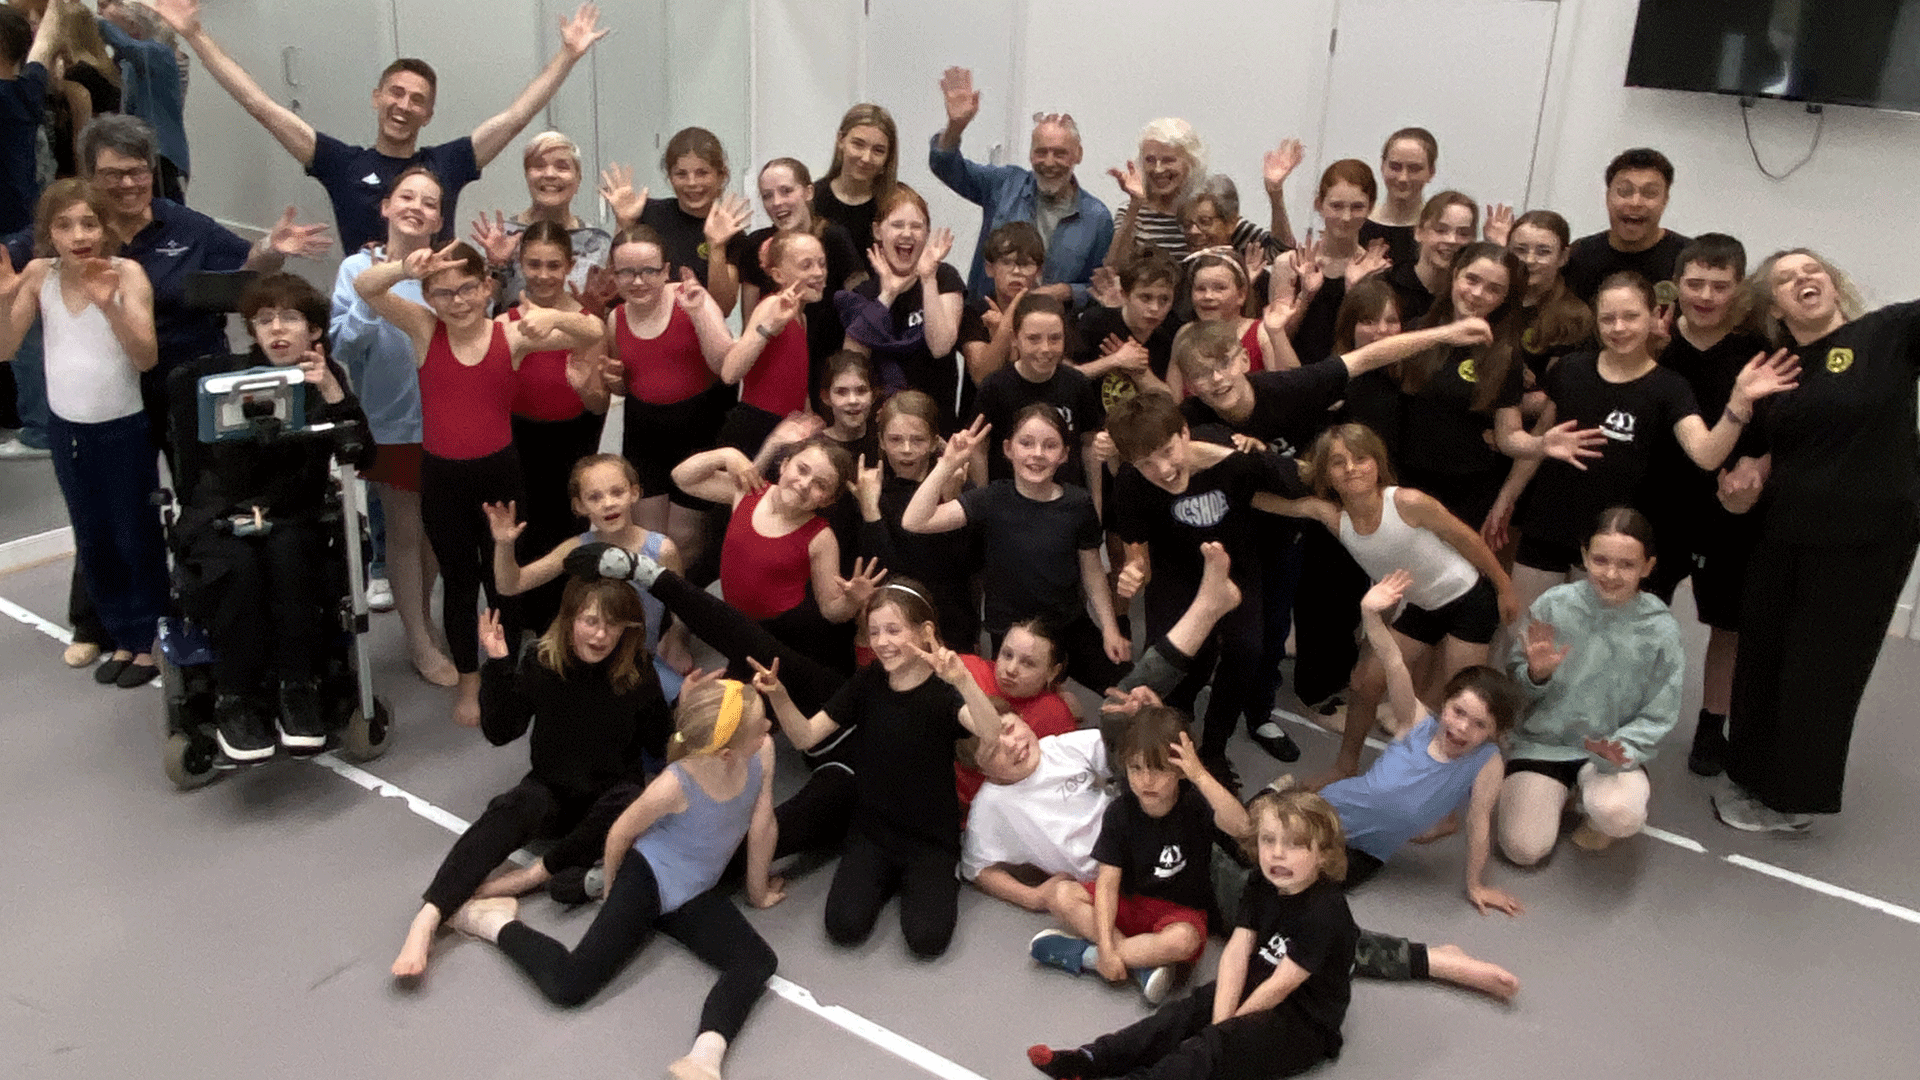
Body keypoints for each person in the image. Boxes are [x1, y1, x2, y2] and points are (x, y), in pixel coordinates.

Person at [443, 671, 782, 1080]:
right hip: (648, 878)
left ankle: (704, 1055)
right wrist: (614, 883)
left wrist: (758, 892)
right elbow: (621, 832)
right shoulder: (675, 784)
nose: (768, 727)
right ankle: (493, 922)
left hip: (695, 890)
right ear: (726, 753)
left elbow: (761, 824)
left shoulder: (762, 752)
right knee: (570, 984)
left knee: (758, 961)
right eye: (760, 723)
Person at [354, 238, 605, 727]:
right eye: (444, 292)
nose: (459, 300)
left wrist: (554, 319)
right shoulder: (426, 329)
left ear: (487, 285)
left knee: (502, 581)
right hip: (444, 477)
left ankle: (504, 673)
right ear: (428, 297)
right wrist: (405, 266)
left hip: (500, 475)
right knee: (460, 582)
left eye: (468, 288)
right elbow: (367, 287)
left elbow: (592, 330)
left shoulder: (509, 335)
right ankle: (469, 680)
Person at [1711, 249, 1920, 832]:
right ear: (1772, 304)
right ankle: (1748, 771)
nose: (1803, 279)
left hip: (1866, 542)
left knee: (1822, 668)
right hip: (1783, 534)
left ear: (1833, 281)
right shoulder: (1773, 368)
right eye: (1785, 278)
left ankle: (1788, 801)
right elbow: (1771, 449)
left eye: (1812, 270)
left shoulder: (1887, 334)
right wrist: (1745, 477)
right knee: (1766, 654)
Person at [151, 0, 608, 249]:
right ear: (377, 97)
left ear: (428, 114)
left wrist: (567, 56)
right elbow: (260, 104)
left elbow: (516, 117)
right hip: (368, 316)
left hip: (435, 308)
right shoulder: (340, 163)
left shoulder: (445, 163)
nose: (404, 105)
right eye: (396, 92)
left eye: (417, 100)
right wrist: (195, 35)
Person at [389, 577, 671, 979]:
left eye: (614, 625)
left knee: (631, 799)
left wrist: (686, 717)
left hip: (608, 800)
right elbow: (501, 730)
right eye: (591, 621)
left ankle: (531, 876)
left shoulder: (638, 673)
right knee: (513, 807)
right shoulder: (542, 661)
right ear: (570, 618)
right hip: (552, 791)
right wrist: (499, 665)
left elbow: (660, 745)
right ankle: (430, 916)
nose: (601, 635)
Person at [1488, 272, 1797, 614]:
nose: (1619, 328)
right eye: (1608, 318)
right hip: (1547, 527)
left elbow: (1707, 454)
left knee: (1587, 653)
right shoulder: (1571, 369)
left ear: (1654, 317)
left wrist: (1738, 403)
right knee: (1523, 635)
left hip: (1609, 546)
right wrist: (1507, 496)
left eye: (1630, 316)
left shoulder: (1669, 388)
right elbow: (1539, 442)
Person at [169, 272, 371, 760]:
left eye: (290, 318)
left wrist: (331, 391)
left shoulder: (326, 379)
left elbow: (362, 455)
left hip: (295, 515)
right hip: (223, 512)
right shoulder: (222, 383)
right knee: (237, 566)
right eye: (264, 319)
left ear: (315, 330)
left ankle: (297, 687)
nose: (277, 328)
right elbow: (210, 475)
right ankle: (234, 697)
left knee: (289, 554)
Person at [1025, 788, 1358, 1080]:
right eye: (1268, 840)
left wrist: (1225, 1031)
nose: (1277, 854)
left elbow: (1281, 985)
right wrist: (1220, 1018)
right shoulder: (1262, 882)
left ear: (1323, 855)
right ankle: (1093, 1058)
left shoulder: (1324, 911)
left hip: (1302, 1021)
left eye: (1294, 845)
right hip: (1258, 982)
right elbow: (1237, 951)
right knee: (1180, 1016)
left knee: (1208, 1050)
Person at [753, 583, 1009, 959]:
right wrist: (779, 696)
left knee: (927, 940)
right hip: (872, 832)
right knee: (843, 927)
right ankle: (881, 878)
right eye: (874, 632)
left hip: (930, 841)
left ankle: (926, 879)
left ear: (924, 632)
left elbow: (992, 732)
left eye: (893, 630)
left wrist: (963, 680)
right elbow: (807, 736)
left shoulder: (943, 691)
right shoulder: (868, 681)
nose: (882, 642)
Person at [1255, 423, 1519, 786]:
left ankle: (1447, 787)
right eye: (1338, 462)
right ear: (1325, 475)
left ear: (1377, 463)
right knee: (1364, 683)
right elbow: (1269, 500)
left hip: (1467, 601)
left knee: (1461, 703)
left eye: (1360, 458)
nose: (1351, 468)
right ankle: (1346, 765)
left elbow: (1468, 540)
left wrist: (1504, 587)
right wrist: (1232, 467)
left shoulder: (1407, 502)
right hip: (1421, 607)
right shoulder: (1333, 517)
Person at [80, 114, 329, 462]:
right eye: (113, 174)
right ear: (90, 177)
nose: (128, 183)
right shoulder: (77, 228)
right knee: (125, 498)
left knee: (204, 487)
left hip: (187, 380)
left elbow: (247, 270)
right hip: (109, 390)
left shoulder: (186, 226)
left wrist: (271, 249)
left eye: (138, 171)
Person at [0, 179, 164, 687]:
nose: (78, 235)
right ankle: (117, 633)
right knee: (92, 536)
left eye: (89, 222)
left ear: (106, 226)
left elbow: (145, 356)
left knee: (134, 533)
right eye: (65, 225)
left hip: (123, 429)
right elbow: (6, 348)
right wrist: (4, 298)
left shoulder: (128, 273)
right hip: (68, 430)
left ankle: (146, 640)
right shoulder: (38, 275)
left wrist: (109, 304)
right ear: (48, 233)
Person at [1107, 391, 1312, 784]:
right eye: (1146, 463)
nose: (1164, 470)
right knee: (1173, 663)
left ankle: (1215, 750)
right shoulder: (1132, 485)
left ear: (1185, 433)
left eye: (1168, 451)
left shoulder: (1227, 448)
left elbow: (1297, 480)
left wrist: (1242, 456)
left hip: (1238, 567)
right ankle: (1174, 740)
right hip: (1176, 573)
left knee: (1246, 651)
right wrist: (1134, 572)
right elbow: (1138, 553)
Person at [1320, 571, 1522, 912]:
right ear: (1445, 703)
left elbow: (1479, 823)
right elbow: (1394, 662)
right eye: (1458, 712)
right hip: (1327, 817)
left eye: (1478, 724)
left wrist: (1476, 884)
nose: (1461, 728)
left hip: (1370, 850)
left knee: (1317, 889)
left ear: (1494, 733)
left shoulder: (1487, 762)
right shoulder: (1414, 720)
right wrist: (1370, 614)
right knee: (1270, 857)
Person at [1025, 707, 1249, 1005]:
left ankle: (1085, 955)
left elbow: (1242, 826)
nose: (1146, 780)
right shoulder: (1120, 812)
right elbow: (1107, 882)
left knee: (1184, 941)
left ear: (1180, 770)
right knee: (1060, 894)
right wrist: (1107, 944)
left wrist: (1199, 775)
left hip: (1177, 913)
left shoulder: (1195, 804)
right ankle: (1139, 965)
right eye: (1136, 768)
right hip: (1128, 904)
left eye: (1158, 770)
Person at [331, 166, 457, 687]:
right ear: (386, 206)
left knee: (432, 534)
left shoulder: (446, 269)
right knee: (404, 532)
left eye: (429, 202)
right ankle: (418, 640)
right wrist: (386, 282)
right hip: (393, 425)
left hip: (447, 423)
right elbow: (344, 346)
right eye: (407, 197)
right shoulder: (357, 268)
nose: (416, 207)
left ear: (439, 219)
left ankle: (423, 621)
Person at [1500, 508, 1682, 862]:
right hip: (1544, 746)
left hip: (1608, 752)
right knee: (1523, 850)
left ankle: (1597, 803)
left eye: (1627, 565)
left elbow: (1659, 714)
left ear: (1647, 566)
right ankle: (1561, 790)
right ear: (1584, 557)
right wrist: (1536, 676)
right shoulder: (1553, 606)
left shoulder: (1661, 629)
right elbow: (1515, 690)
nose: (1611, 574)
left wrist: (1618, 750)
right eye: (1600, 560)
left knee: (1619, 813)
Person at [903, 407, 1128, 690]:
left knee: (1128, 692)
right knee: (1019, 717)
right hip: (1011, 636)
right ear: (1008, 449)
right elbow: (915, 521)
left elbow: (1092, 571)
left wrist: (1109, 628)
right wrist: (947, 465)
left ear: (1064, 454)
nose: (1037, 454)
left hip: (1068, 626)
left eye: (1049, 446)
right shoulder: (991, 499)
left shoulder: (1078, 503)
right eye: (1026, 443)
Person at [1395, 240, 1605, 532]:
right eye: (1472, 279)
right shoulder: (1412, 334)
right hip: (1402, 484)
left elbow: (1508, 436)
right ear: (1455, 274)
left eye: (1494, 289)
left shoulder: (1503, 355)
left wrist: (1540, 445)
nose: (1478, 294)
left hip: (1465, 492)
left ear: (1504, 299)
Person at [1658, 234, 1771, 777]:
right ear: (1676, 284)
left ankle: (1710, 725)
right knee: (1636, 613)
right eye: (1695, 283)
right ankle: (1622, 710)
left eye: (1718, 286)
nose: (1704, 295)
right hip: (1655, 504)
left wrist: (1757, 470)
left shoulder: (1758, 353)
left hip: (1727, 509)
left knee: (1727, 624)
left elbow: (1780, 433)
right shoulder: (1654, 342)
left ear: (1738, 290)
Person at [671, 433, 880, 673]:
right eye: (802, 470)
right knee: (732, 699)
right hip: (737, 625)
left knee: (749, 702)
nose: (804, 484)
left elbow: (831, 611)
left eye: (820, 485)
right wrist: (726, 454)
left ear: (828, 501)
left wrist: (852, 600)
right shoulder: (749, 491)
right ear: (783, 465)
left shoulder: (821, 538)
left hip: (782, 637)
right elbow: (683, 478)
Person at [489, 453, 688, 698]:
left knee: (686, 707)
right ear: (579, 506)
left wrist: (676, 640)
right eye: (595, 497)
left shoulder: (662, 550)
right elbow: (511, 585)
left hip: (639, 663)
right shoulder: (577, 549)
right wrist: (503, 545)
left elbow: (684, 605)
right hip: (584, 662)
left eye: (617, 492)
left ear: (634, 493)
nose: (608, 503)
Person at [495, 220, 610, 636]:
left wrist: (584, 390)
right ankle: (517, 622)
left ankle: (562, 624)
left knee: (566, 530)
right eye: (534, 264)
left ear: (570, 266)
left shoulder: (586, 322)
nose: (543, 274)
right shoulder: (505, 319)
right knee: (521, 529)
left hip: (572, 436)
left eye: (553, 265)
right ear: (521, 264)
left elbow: (600, 403)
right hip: (518, 438)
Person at [599, 225, 732, 571]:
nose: (638, 281)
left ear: (666, 271)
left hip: (698, 427)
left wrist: (700, 311)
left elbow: (726, 366)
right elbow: (626, 385)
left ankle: (679, 619)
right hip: (645, 430)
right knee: (648, 537)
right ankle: (653, 614)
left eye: (649, 271)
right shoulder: (615, 318)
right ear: (614, 275)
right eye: (626, 272)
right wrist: (613, 381)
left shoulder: (690, 298)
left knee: (685, 538)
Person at [931, 66, 1112, 305]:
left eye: (1060, 153)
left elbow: (1101, 287)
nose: (1049, 162)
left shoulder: (1097, 218)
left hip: (1050, 330)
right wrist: (956, 126)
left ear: (1078, 155)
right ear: (1030, 154)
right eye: (1041, 152)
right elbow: (945, 166)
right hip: (985, 317)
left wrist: (1067, 292)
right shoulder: (1003, 184)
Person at [851, 389, 978, 647]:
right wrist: (870, 512)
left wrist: (951, 498)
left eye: (917, 440)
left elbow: (966, 566)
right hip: (894, 626)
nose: (906, 450)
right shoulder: (872, 492)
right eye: (895, 440)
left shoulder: (959, 486)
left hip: (951, 621)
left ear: (933, 442)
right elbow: (887, 573)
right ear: (882, 442)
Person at [834, 183, 964, 429]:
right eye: (897, 225)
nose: (907, 234)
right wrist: (888, 295)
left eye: (916, 226)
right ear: (877, 231)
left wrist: (927, 279)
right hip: (882, 424)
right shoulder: (865, 292)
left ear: (926, 234)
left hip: (936, 423)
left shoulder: (943, 277)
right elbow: (852, 363)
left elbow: (941, 346)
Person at [730, 157, 860, 380]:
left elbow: (859, 311)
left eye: (786, 191)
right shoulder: (755, 245)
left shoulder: (835, 238)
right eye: (767, 196)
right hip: (776, 372)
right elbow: (749, 325)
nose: (777, 202)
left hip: (830, 369)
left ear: (808, 192)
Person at [601, 127, 753, 316]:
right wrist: (625, 223)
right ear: (670, 178)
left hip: (696, 336)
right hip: (639, 328)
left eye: (702, 173)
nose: (692, 182)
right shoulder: (647, 213)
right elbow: (611, 287)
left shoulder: (733, 235)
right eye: (681, 174)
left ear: (721, 176)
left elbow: (722, 308)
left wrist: (716, 246)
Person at [965, 293, 1104, 494]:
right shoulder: (995, 387)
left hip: (1066, 501)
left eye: (1055, 338)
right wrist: (983, 503)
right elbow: (979, 450)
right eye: (1033, 339)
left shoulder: (1077, 384)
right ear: (1015, 339)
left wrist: (1095, 506)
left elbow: (1089, 447)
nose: (1045, 348)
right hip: (1008, 499)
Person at [467, 131, 613, 307]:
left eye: (562, 167)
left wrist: (625, 223)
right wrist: (496, 265)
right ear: (527, 176)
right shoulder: (499, 236)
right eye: (539, 166)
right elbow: (474, 311)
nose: (550, 174)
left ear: (578, 178)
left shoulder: (597, 243)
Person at [0, 4, 56, 461]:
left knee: (23, 336)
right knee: (26, 330)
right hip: (23, 223)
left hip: (7, 233)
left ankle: (39, 427)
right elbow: (43, 48)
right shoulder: (26, 92)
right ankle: (33, 420)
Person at [719, 229, 827, 455]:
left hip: (786, 430)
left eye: (822, 264)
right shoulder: (771, 306)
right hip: (755, 427)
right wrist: (768, 328)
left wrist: (808, 420)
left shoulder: (801, 316)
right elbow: (730, 373)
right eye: (806, 266)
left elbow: (797, 382)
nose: (818, 273)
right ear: (778, 275)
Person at [1562, 147, 1689, 304]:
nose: (1635, 203)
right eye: (1624, 192)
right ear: (1608, 197)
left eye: (1649, 193)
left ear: (1665, 200)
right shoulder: (1579, 255)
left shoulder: (1688, 258)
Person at [95, 0, 188, 200]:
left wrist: (91, 21)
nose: (100, 12)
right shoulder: (128, 61)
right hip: (139, 150)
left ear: (134, 25)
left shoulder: (158, 53)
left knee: (166, 217)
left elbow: (125, 44)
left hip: (162, 156)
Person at [1504, 210, 1593, 402]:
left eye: (1543, 252)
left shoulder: (1573, 317)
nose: (1529, 260)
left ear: (1563, 257)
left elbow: (1556, 395)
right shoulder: (1490, 301)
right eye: (1520, 250)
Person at [1073, 246, 1178, 405]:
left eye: (1164, 300)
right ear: (1125, 295)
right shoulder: (1096, 321)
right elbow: (1065, 378)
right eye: (1145, 298)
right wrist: (1115, 360)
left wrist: (1139, 372)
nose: (1155, 308)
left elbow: (1172, 402)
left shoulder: (1171, 333)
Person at [957, 219, 1045, 388]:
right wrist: (1003, 333)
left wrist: (1003, 329)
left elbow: (1050, 372)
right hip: (983, 412)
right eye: (1006, 262)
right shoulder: (975, 311)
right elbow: (982, 376)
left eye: (1025, 264)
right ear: (990, 268)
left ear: (1038, 271)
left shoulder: (1048, 313)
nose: (1016, 272)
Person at [1105, 117, 1204, 263]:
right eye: (1150, 160)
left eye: (1168, 160)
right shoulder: (1130, 211)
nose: (1158, 169)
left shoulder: (1204, 211)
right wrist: (1135, 205)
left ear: (1191, 163)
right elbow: (1114, 267)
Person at [813, 103, 897, 259]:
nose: (866, 158)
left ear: (888, 157)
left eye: (878, 150)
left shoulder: (899, 203)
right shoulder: (812, 198)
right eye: (858, 144)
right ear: (840, 141)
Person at [1386, 190, 1475, 324]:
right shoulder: (1387, 285)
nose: (1451, 240)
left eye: (1463, 233)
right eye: (1441, 230)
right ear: (1418, 232)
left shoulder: (1471, 295)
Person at [1360, 127, 1437, 272]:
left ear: (1431, 172)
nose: (1403, 178)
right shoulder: (1357, 225)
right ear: (1383, 166)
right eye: (1395, 167)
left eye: (1414, 169)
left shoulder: (1439, 233)